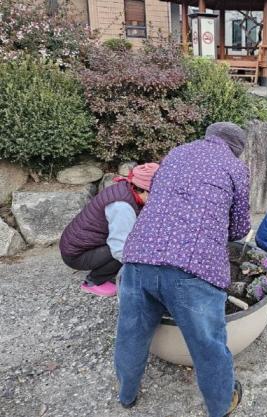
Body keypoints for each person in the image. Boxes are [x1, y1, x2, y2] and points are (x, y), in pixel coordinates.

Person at [114, 122, 250, 417]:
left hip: (140, 255)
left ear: (209, 136)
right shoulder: (235, 167)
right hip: (193, 265)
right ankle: (221, 404)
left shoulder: (176, 153)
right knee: (207, 344)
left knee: (131, 332)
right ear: (237, 148)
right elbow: (239, 228)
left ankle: (127, 395)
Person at [59, 163, 160, 297]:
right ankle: (94, 281)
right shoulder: (121, 207)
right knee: (128, 250)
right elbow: (120, 249)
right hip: (76, 254)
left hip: (84, 244)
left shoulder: (126, 188)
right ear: (145, 190)